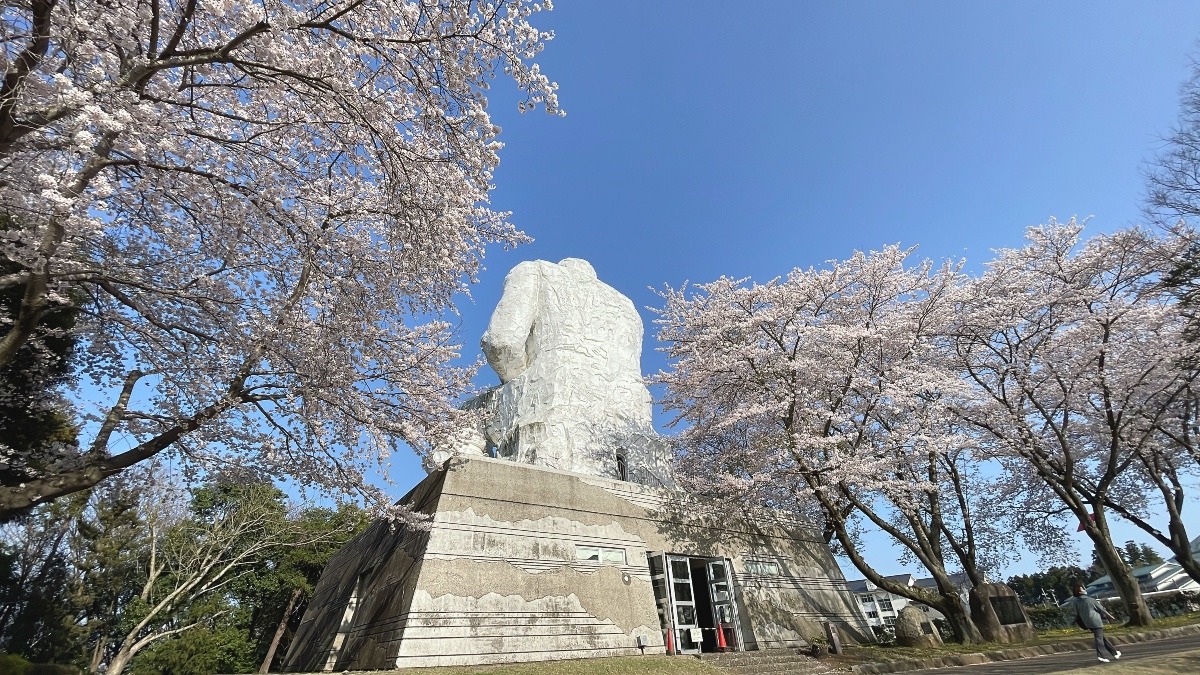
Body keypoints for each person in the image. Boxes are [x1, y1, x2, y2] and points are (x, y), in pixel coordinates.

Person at [1071, 583, 1121, 663]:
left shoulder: (1075, 602)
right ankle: (1101, 655)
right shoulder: (1090, 600)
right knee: (1099, 639)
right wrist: (1111, 617)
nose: (1085, 590)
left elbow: (1076, 613)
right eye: (1083, 589)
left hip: (1087, 623)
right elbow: (1102, 610)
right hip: (1096, 621)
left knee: (1102, 637)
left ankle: (1114, 653)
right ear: (1079, 592)